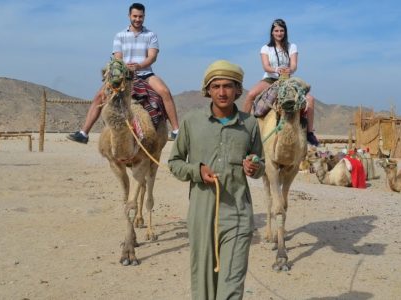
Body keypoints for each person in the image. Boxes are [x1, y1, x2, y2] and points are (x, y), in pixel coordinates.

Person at [168, 60, 265, 300]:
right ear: (208, 90)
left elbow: (260, 164)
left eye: (228, 86)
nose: (222, 92)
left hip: (238, 213)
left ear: (237, 89)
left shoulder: (250, 124)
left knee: (231, 286)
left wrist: (254, 166)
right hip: (202, 213)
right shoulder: (191, 121)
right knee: (203, 286)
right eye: (216, 86)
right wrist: (197, 171)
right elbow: (175, 163)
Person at [68, 2, 179, 144]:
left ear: (144, 17)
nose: (137, 19)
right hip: (124, 75)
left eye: (140, 16)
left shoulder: (151, 35)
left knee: (164, 91)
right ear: (129, 16)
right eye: (135, 16)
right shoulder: (120, 36)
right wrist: (125, 68)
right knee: (99, 96)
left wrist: (138, 66)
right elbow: (117, 57)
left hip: (145, 73)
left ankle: (176, 130)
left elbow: (152, 57)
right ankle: (84, 133)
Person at [242, 18, 319, 146]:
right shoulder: (266, 48)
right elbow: (266, 66)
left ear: (285, 32)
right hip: (270, 78)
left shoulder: (291, 46)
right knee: (250, 95)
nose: (279, 33)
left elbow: (294, 65)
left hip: (287, 79)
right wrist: (276, 69)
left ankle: (310, 133)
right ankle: (244, 126)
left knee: (310, 99)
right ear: (272, 32)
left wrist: (289, 69)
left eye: (281, 30)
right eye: (276, 30)